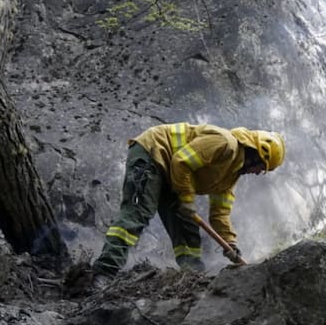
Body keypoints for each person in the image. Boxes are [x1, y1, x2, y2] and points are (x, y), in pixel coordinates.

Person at [91, 122, 284, 287]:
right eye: (262, 167)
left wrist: (230, 243)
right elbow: (181, 161)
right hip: (153, 153)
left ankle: (191, 280)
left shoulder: (229, 177)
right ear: (257, 154)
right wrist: (186, 198)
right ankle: (103, 273)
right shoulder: (225, 143)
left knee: (187, 231)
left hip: (173, 177)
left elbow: (220, 213)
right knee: (138, 213)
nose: (259, 172)